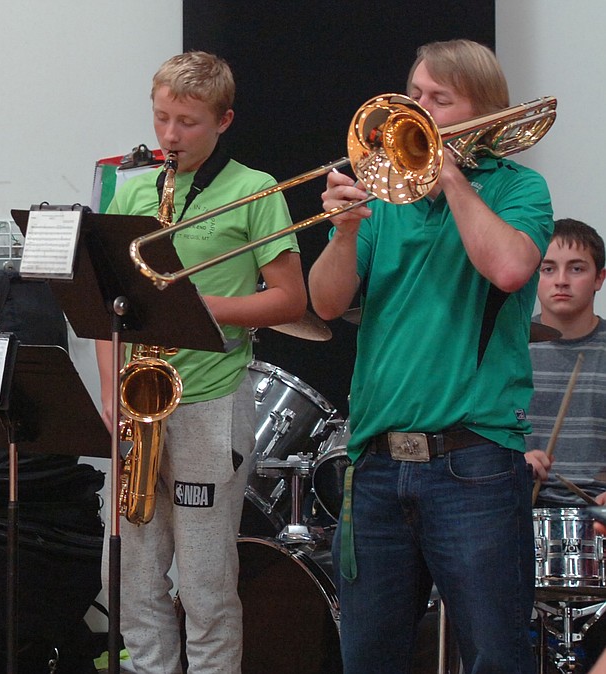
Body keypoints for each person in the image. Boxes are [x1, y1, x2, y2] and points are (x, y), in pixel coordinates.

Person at [308, 40, 553, 673]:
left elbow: (507, 267)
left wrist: (448, 174)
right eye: (414, 93)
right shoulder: (385, 200)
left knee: (497, 657)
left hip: (473, 461)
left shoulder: (520, 189)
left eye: (438, 100)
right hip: (377, 464)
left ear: (485, 115)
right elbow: (326, 303)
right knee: (368, 658)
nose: (414, 109)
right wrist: (346, 231)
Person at [95, 51, 306, 673]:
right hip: (140, 402)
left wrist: (191, 304)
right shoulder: (134, 190)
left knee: (207, 584)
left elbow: (291, 300)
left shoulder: (254, 190)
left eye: (187, 121)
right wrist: (112, 393)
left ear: (224, 121)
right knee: (133, 580)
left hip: (211, 400)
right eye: (161, 117)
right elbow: (106, 303)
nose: (169, 135)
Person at [524, 219, 606, 505]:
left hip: (596, 512)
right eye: (548, 269)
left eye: (576, 268)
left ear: (599, 278)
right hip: (520, 507)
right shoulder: (507, 350)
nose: (561, 280)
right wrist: (516, 461)